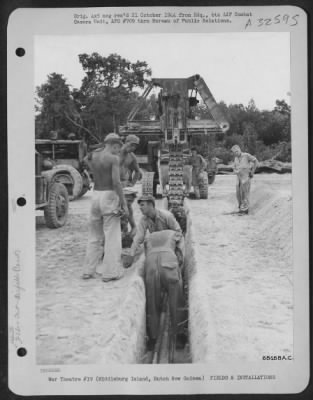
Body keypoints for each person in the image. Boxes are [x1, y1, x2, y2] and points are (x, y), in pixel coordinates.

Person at [125, 195, 186, 349]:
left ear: (152, 205)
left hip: (163, 253)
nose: (141, 209)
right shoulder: (144, 221)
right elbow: (138, 238)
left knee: (153, 297)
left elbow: (179, 233)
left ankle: (161, 336)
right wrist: (131, 253)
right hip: (164, 257)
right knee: (171, 295)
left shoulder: (167, 216)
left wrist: (180, 255)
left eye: (143, 205)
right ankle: (173, 333)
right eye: (140, 206)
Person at [82, 133, 128, 282]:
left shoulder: (94, 155)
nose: (118, 152)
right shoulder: (113, 159)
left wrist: (93, 171)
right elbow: (116, 182)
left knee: (94, 236)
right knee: (112, 236)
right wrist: (124, 202)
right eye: (118, 148)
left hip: (95, 195)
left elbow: (85, 160)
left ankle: (88, 271)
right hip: (109, 195)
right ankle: (110, 273)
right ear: (114, 144)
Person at [231, 145, 258, 215]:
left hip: (246, 176)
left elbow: (255, 161)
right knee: (238, 194)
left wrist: (252, 172)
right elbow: (234, 167)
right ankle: (241, 208)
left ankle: (245, 210)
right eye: (234, 152)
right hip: (238, 177)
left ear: (240, 150)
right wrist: (235, 170)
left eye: (237, 151)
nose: (236, 153)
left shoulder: (246, 155)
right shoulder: (235, 158)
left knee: (245, 193)